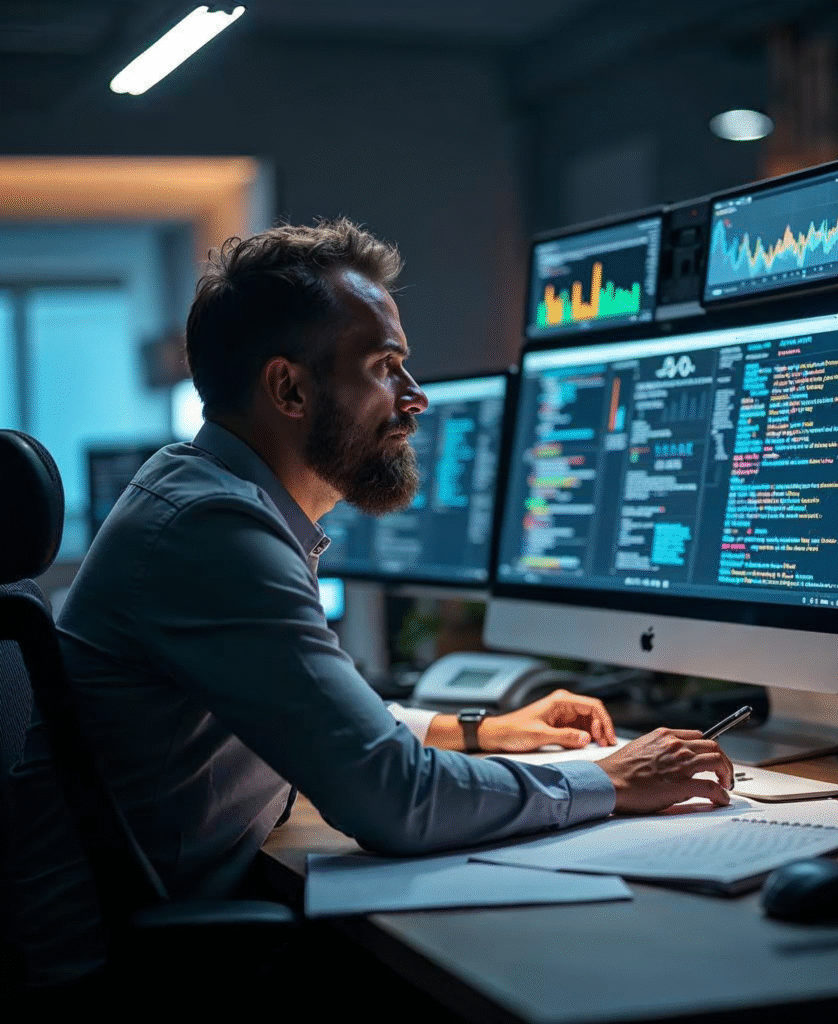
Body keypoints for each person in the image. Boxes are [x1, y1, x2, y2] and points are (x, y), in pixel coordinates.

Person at [5, 218, 732, 989]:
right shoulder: (210, 528)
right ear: (288, 387)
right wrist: (610, 782)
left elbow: (313, 707)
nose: (415, 399)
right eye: (385, 366)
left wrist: (475, 729)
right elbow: (391, 799)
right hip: (105, 979)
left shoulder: (205, 500)